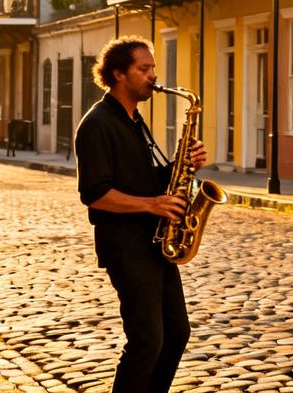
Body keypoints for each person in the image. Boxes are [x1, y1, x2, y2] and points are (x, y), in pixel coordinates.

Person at [74, 36, 207, 393]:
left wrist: (183, 165)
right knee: (147, 339)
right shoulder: (98, 124)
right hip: (127, 247)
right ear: (118, 73)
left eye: (153, 68)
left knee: (176, 333)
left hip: (156, 242)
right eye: (144, 68)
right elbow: (95, 194)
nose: (153, 76)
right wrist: (151, 204)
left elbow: (145, 177)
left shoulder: (133, 120)